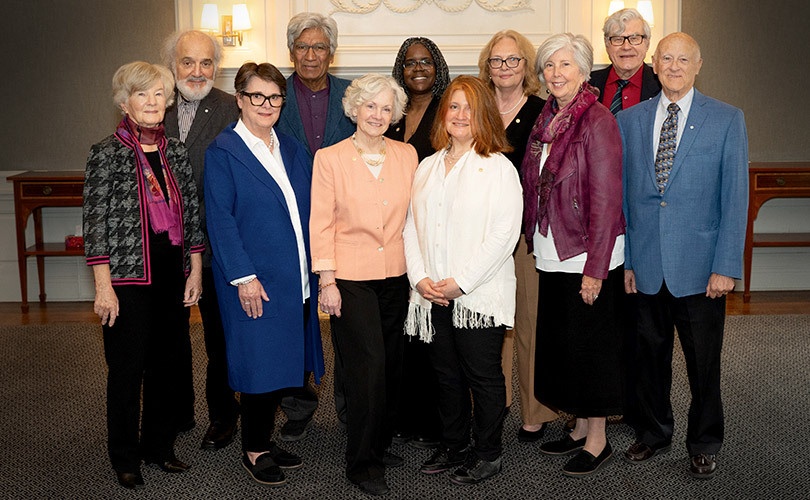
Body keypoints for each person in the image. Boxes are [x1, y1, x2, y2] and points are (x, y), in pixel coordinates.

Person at [618, 32, 748, 480]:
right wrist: (630, 260)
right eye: (666, 59)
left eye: (683, 59)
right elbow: (628, 200)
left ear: (698, 65)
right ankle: (654, 433)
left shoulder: (728, 119)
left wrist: (726, 266)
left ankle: (705, 440)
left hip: (701, 268)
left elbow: (735, 198)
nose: (674, 67)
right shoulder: (630, 122)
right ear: (654, 65)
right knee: (648, 360)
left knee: (703, 363)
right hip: (648, 265)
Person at [83, 61, 204, 489]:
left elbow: (191, 213)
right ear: (124, 102)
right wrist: (103, 288)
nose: (152, 102)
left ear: (168, 102)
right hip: (128, 281)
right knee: (127, 369)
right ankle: (125, 456)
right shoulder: (106, 153)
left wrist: (196, 270)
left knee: (168, 366)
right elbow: (94, 224)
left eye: (159, 94)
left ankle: (159, 447)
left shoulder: (175, 151)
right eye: (142, 94)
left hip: (172, 275)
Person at [204, 62, 325, 487]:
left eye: (274, 97)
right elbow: (219, 220)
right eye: (257, 96)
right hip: (254, 283)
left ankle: (265, 440)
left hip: (296, 280)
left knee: (283, 364)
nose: (266, 104)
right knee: (260, 367)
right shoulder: (224, 152)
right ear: (239, 99)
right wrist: (243, 276)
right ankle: (254, 449)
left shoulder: (291, 149)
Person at [404, 75, 522, 485]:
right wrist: (420, 278)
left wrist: (462, 283)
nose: (460, 115)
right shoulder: (427, 166)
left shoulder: (498, 167)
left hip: (477, 297)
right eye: (453, 106)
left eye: (469, 108)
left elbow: (504, 235)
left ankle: (488, 453)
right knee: (446, 375)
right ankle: (454, 443)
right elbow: (410, 227)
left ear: (484, 115)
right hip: (431, 295)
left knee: (483, 377)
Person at [522, 33, 625, 477]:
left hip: (586, 252)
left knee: (592, 348)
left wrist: (596, 269)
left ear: (584, 71)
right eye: (549, 66)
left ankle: (599, 439)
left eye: (566, 65)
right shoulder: (547, 118)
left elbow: (606, 200)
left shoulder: (597, 120)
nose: (556, 74)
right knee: (568, 344)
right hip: (552, 249)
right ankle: (581, 427)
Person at [310, 73, 415, 496]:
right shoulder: (330, 158)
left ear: (395, 115)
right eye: (370, 106)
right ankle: (361, 464)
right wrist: (326, 280)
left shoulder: (407, 154)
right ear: (354, 109)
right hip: (349, 278)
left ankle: (379, 441)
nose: (377, 114)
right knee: (366, 368)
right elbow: (322, 222)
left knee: (390, 365)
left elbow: (415, 218)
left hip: (397, 275)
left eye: (386, 108)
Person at [275, 11, 356, 437]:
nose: (311, 55)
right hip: (287, 228)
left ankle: (349, 408)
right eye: (303, 47)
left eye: (319, 47)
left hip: (344, 228)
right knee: (294, 319)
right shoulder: (274, 98)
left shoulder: (351, 96)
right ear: (291, 52)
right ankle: (297, 406)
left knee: (348, 319)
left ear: (331, 52)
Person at [478, 29, 559, 444]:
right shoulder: (476, 110)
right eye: (497, 61)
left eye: (513, 60)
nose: (505, 68)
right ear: (486, 67)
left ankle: (534, 410)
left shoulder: (545, 111)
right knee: (489, 320)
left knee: (528, 319)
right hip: (481, 234)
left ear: (526, 66)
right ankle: (494, 403)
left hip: (528, 232)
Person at [161, 29, 241, 450]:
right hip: (164, 249)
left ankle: (223, 416)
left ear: (217, 67)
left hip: (214, 248)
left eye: (206, 63)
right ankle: (178, 412)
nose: (197, 71)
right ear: (173, 66)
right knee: (170, 336)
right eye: (187, 62)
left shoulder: (232, 108)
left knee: (219, 338)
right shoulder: (155, 105)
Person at [385, 36, 450, 450]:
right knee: (403, 331)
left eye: (426, 61)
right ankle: (403, 416)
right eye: (410, 63)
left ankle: (435, 420)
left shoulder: (450, 109)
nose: (419, 68)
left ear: (437, 66)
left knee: (434, 333)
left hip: (434, 233)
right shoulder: (390, 111)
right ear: (400, 69)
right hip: (393, 233)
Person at [590, 8, 661, 116]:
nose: (626, 47)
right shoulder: (588, 84)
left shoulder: (662, 84)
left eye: (634, 38)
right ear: (606, 44)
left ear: (647, 43)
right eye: (618, 39)